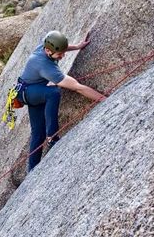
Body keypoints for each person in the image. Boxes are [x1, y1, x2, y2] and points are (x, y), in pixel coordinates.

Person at [16, 30, 106, 171]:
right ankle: (52, 137)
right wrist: (104, 99)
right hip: (28, 92)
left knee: (38, 133)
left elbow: (60, 47)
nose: (62, 56)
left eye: (63, 53)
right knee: (53, 93)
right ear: (48, 51)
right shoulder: (45, 65)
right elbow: (78, 88)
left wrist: (77, 46)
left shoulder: (46, 45)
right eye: (59, 54)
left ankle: (32, 170)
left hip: (30, 91)